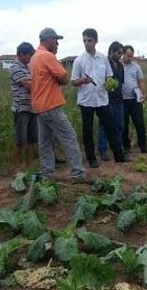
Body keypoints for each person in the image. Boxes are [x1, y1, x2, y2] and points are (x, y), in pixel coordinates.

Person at [29, 28, 87, 182]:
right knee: (69, 137)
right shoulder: (47, 56)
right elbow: (65, 78)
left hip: (39, 107)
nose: (57, 44)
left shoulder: (35, 57)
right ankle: (77, 173)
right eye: (56, 40)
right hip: (50, 105)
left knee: (45, 142)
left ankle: (47, 173)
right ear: (48, 40)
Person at [71, 29, 127, 167]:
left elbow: (108, 76)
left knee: (110, 127)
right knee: (87, 130)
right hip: (86, 100)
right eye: (84, 40)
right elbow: (73, 81)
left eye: (89, 40)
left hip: (102, 99)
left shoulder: (102, 59)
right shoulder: (79, 60)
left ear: (96, 41)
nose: (87, 43)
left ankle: (118, 156)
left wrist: (109, 84)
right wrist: (82, 81)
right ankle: (91, 159)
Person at [9, 42, 38, 174]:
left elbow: (33, 83)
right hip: (22, 109)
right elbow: (29, 86)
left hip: (32, 108)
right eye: (29, 55)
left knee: (32, 139)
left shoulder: (29, 67)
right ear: (21, 54)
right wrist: (35, 82)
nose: (31, 57)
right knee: (20, 140)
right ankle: (16, 168)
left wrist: (34, 82)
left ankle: (29, 166)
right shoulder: (15, 67)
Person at [97, 41, 125, 161]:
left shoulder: (120, 66)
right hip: (106, 100)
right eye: (118, 53)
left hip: (118, 99)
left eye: (121, 53)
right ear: (111, 51)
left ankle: (118, 149)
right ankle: (103, 151)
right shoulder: (103, 63)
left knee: (119, 125)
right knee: (105, 126)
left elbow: (120, 83)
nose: (120, 55)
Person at [122, 45, 147, 154]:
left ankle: (143, 145)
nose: (130, 58)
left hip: (135, 100)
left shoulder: (136, 67)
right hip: (122, 100)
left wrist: (144, 93)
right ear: (123, 54)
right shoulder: (118, 66)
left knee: (139, 123)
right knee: (124, 124)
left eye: (131, 56)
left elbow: (141, 81)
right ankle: (126, 146)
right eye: (128, 55)